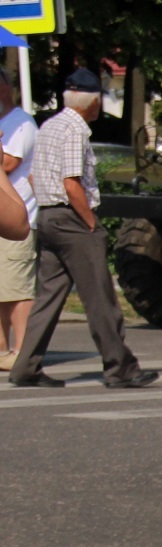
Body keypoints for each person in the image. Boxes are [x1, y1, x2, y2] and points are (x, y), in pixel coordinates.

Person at [9, 69, 156, 389]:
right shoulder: (76, 130)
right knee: (100, 297)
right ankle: (120, 367)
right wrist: (90, 223)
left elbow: (35, 177)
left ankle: (26, 367)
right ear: (91, 103)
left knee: (47, 297)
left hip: (48, 217)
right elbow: (71, 183)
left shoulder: (49, 125)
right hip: (71, 220)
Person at [0, 69, 37, 372]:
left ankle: (19, 351)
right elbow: (17, 222)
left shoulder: (21, 122)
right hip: (12, 214)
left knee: (15, 287)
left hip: (16, 220)